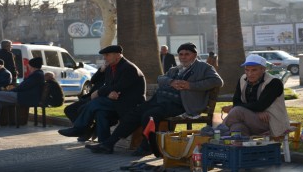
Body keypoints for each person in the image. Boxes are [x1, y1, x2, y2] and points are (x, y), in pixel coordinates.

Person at [88, 42, 223, 155]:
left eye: (187, 54)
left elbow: (217, 81)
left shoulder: (204, 67)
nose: (183, 57)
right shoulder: (176, 69)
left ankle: (147, 146)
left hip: (182, 104)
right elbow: (161, 78)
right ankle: (109, 144)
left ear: (194, 55)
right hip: (161, 100)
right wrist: (171, 82)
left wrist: (190, 85)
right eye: (181, 54)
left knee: (150, 115)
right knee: (134, 113)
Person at [58, 45, 146, 143]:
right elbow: (108, 86)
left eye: (107, 55)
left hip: (130, 105)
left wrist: (100, 92)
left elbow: (117, 87)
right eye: (104, 55)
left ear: (117, 55)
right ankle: (104, 144)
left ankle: (79, 129)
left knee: (95, 103)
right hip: (116, 102)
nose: (104, 58)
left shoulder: (129, 68)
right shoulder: (109, 68)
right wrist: (108, 93)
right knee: (101, 113)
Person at [221, 54, 290, 137]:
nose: (249, 74)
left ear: (263, 69)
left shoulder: (274, 82)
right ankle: (243, 148)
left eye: (254, 70)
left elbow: (260, 106)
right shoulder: (243, 79)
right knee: (237, 127)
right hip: (250, 121)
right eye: (247, 70)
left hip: (271, 123)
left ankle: (217, 132)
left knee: (237, 111)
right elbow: (236, 102)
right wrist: (256, 112)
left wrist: (255, 110)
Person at [63, 64, 109, 142]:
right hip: (91, 97)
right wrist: (100, 71)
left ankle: (82, 130)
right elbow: (93, 81)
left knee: (82, 109)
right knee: (69, 109)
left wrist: (99, 93)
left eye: (107, 57)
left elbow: (110, 86)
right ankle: (85, 131)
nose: (105, 60)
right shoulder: (104, 69)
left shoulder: (115, 71)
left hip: (101, 98)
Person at [0, 57, 44, 129]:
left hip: (24, 96)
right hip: (23, 95)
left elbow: (23, 87)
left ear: (33, 66)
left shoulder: (36, 75)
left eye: (29, 65)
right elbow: (24, 86)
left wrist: (11, 91)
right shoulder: (37, 74)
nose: (28, 67)